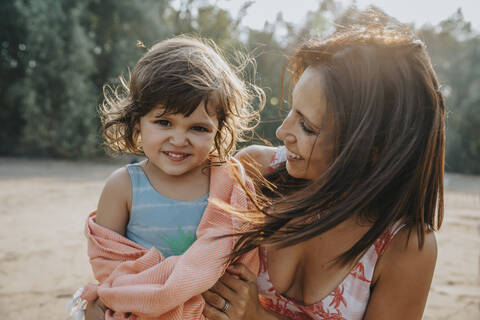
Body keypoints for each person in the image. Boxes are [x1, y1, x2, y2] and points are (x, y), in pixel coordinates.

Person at [202, 15, 445, 320]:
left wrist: (256, 316)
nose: (282, 132)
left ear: (372, 151)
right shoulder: (256, 173)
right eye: (292, 110)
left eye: (307, 126)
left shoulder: (405, 246)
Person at [72, 36, 264, 320]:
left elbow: (241, 260)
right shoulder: (123, 187)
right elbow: (110, 267)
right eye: (164, 122)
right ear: (137, 121)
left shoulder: (228, 184)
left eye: (198, 128)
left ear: (218, 130)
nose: (178, 139)